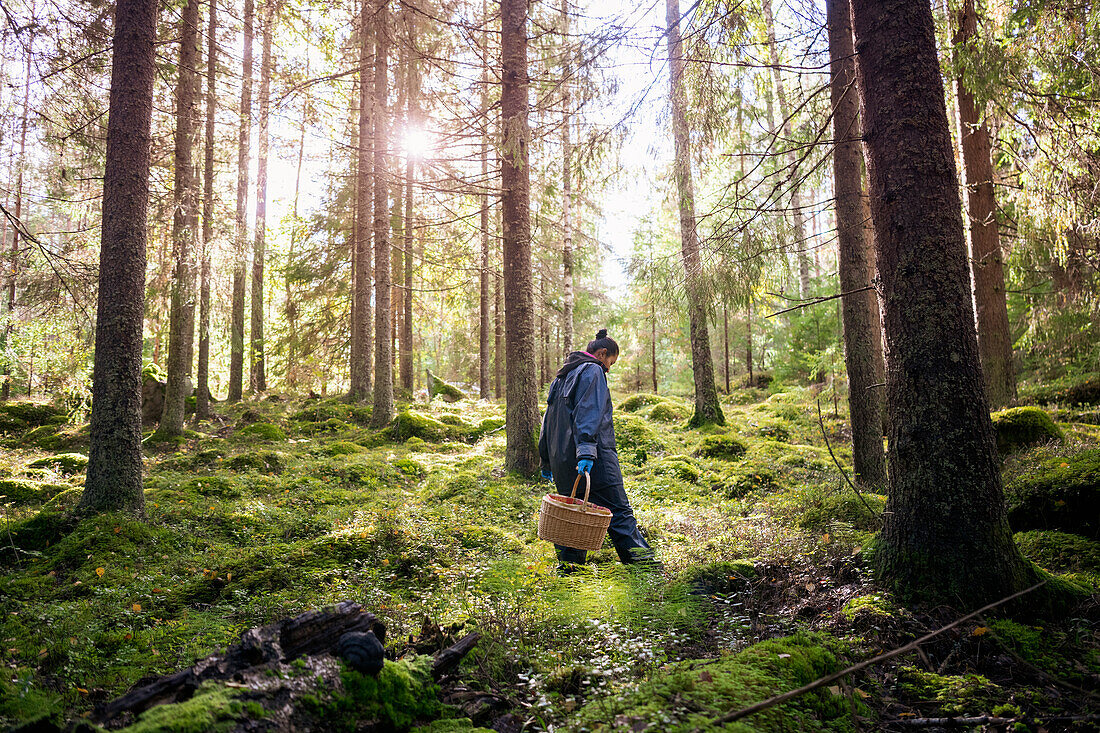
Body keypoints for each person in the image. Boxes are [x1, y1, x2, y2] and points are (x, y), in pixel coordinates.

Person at [538, 329, 656, 568]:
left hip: (563, 462)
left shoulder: (560, 377)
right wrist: (587, 453)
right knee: (619, 513)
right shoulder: (592, 371)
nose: (609, 369)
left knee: (572, 518)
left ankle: (571, 574)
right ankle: (647, 571)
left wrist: (546, 459)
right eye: (610, 362)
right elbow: (588, 414)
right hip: (594, 459)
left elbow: (547, 422)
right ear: (602, 354)